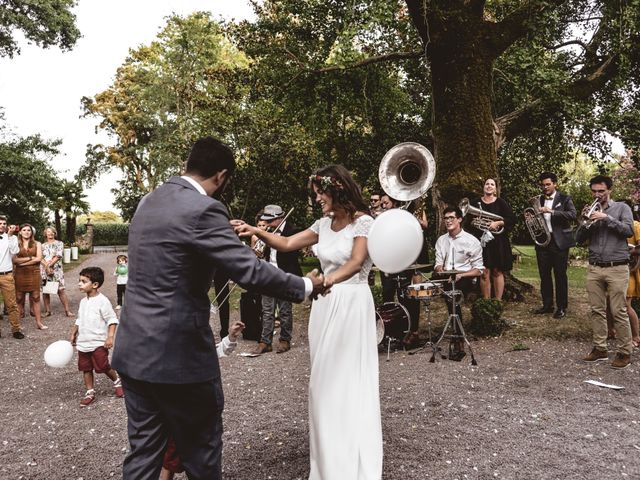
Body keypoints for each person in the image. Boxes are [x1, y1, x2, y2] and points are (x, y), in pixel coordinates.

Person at [111, 136, 324, 480]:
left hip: (133, 351)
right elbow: (249, 270)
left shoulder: (149, 201)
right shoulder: (205, 209)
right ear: (222, 175)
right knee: (201, 454)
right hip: (180, 359)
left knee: (143, 454)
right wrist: (306, 285)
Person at [235, 164, 383, 480]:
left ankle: (351, 463)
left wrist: (323, 281)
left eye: (320, 193)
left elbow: (357, 264)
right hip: (324, 307)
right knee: (322, 384)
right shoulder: (323, 224)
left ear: (337, 189)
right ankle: (327, 464)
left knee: (346, 383)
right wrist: (257, 230)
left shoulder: (364, 223)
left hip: (351, 304)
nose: (317, 199)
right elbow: (288, 244)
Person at [160, 320, 246, 480]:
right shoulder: (169, 348)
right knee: (171, 455)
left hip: (198, 409)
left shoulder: (198, 346)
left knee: (200, 456)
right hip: (176, 412)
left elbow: (216, 351)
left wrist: (231, 337)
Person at [576, 175, 634, 369]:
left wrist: (606, 218)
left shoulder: (621, 208)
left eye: (601, 191)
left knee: (618, 311)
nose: (597, 195)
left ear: (609, 190)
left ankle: (624, 352)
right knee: (596, 310)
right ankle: (600, 349)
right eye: (594, 191)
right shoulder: (590, 210)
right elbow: (578, 238)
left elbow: (628, 231)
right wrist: (585, 223)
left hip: (617, 266)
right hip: (595, 266)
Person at [251, 204, 302, 355]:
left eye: (269, 220)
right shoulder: (267, 231)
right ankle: (265, 341)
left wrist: (277, 239)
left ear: (278, 219)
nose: (266, 223)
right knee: (267, 310)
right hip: (268, 275)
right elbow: (261, 254)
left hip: (285, 275)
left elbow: (292, 252)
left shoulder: (292, 231)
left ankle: (285, 339)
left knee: (285, 310)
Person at [434, 206, 484, 360]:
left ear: (460, 219)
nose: (448, 221)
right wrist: (440, 268)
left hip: (466, 277)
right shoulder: (441, 240)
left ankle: (459, 339)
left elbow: (479, 270)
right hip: (447, 276)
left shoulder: (471, 241)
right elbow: (437, 264)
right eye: (446, 218)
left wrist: (461, 275)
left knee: (452, 295)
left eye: (451, 218)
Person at [377, 194, 428, 347]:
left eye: (386, 203)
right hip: (387, 260)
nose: (383, 205)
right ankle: (391, 329)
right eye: (382, 203)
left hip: (405, 258)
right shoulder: (381, 219)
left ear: (393, 203)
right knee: (387, 293)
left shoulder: (405, 215)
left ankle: (412, 331)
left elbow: (419, 229)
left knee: (406, 295)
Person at [70, 267, 124, 407]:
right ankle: (90, 391)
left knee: (103, 366)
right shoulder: (83, 301)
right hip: (84, 343)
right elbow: (79, 319)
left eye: (83, 281)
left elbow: (112, 320)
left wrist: (110, 337)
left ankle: (117, 381)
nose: (79, 284)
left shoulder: (102, 301)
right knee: (85, 368)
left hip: (98, 342)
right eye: (79, 280)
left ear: (95, 284)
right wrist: (74, 332)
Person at [532, 172, 577, 318]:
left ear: (555, 184)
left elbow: (572, 215)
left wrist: (551, 211)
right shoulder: (538, 199)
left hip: (559, 242)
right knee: (544, 275)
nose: (545, 187)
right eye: (543, 185)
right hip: (543, 242)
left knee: (560, 275)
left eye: (548, 184)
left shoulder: (564, 198)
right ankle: (547, 305)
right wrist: (530, 217)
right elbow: (535, 219)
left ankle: (562, 307)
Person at [468, 178, 515, 300]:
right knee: (484, 272)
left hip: (498, 242)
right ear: (483, 187)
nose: (489, 186)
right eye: (487, 184)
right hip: (481, 242)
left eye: (492, 184)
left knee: (497, 271)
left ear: (495, 189)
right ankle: (486, 301)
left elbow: (511, 219)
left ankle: (498, 302)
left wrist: (498, 223)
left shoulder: (501, 203)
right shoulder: (474, 203)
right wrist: (474, 222)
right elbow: (468, 222)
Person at [13, 224, 45, 329]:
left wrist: (22, 263)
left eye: (29, 230)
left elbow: (39, 259)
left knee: (36, 297)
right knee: (19, 298)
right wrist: (31, 258)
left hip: (34, 273)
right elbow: (14, 260)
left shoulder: (37, 243)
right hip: (20, 274)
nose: (27, 232)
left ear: (32, 232)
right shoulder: (15, 243)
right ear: (20, 232)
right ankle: (17, 325)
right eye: (24, 230)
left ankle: (39, 323)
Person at [40, 226, 73, 317]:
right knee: (45, 291)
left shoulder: (59, 243)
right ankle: (48, 311)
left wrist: (49, 266)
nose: (50, 233)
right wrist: (46, 267)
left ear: (55, 233)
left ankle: (67, 311)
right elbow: (40, 258)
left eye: (52, 232)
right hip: (44, 270)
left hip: (56, 270)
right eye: (48, 232)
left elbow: (58, 256)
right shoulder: (42, 246)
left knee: (61, 290)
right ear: (45, 234)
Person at [0, 216, 24, 339]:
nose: (2, 225)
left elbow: (15, 251)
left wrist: (9, 236)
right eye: (0, 223)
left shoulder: (12, 238)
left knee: (11, 304)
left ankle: (16, 330)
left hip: (6, 275)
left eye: (4, 223)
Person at [627, 205, 640, 347]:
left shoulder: (636, 225)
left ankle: (636, 336)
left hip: (630, 269)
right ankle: (611, 331)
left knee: (625, 305)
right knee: (608, 302)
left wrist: (626, 252)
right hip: (614, 268)